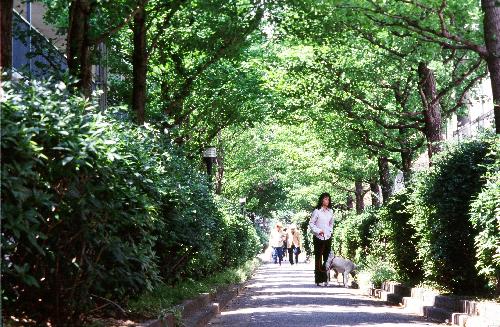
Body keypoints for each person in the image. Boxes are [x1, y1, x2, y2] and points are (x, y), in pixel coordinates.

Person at [309, 192, 334, 286]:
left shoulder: (330, 211)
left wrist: (330, 231)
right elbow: (311, 223)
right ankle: (319, 279)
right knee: (318, 259)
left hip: (327, 237)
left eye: (328, 199)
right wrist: (318, 231)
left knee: (327, 259)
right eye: (325, 199)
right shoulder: (317, 211)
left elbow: (331, 223)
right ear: (321, 200)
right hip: (318, 237)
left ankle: (326, 279)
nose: (327, 201)